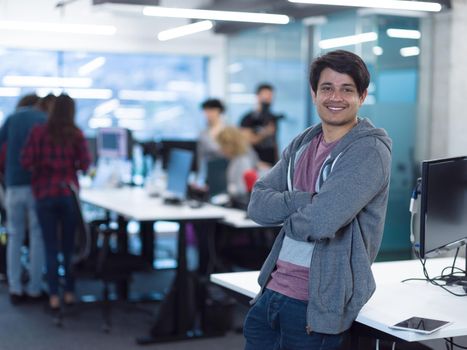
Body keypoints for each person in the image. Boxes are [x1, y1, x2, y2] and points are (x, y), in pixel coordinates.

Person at [243, 50, 392, 350]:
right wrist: (305, 200)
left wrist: (288, 212)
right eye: (327, 88)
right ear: (314, 93)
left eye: (346, 89)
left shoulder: (369, 151)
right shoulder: (303, 143)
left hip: (316, 305)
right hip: (271, 293)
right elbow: (257, 204)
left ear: (362, 96)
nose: (335, 97)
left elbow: (322, 222)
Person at [22, 94, 91, 311]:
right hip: (67, 193)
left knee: (50, 247)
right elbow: (86, 164)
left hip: (44, 193)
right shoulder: (76, 134)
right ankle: (69, 292)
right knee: (68, 247)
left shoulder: (38, 131)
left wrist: (42, 167)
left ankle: (53, 295)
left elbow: (26, 161)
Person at [0, 93, 55, 304]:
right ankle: (34, 288)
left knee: (14, 235)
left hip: (13, 185)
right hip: (36, 185)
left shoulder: (13, 118)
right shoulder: (44, 120)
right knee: (37, 236)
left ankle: (15, 287)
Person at [240, 83, 280, 166]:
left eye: (270, 95)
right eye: (265, 95)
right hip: (254, 165)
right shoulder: (248, 118)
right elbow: (246, 140)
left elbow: (274, 142)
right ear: (258, 96)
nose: (267, 98)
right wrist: (265, 133)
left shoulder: (272, 118)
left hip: (272, 164)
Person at [216, 126, 261, 200]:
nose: (220, 150)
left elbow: (243, 189)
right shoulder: (235, 159)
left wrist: (228, 189)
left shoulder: (243, 160)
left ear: (229, 145)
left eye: (222, 146)